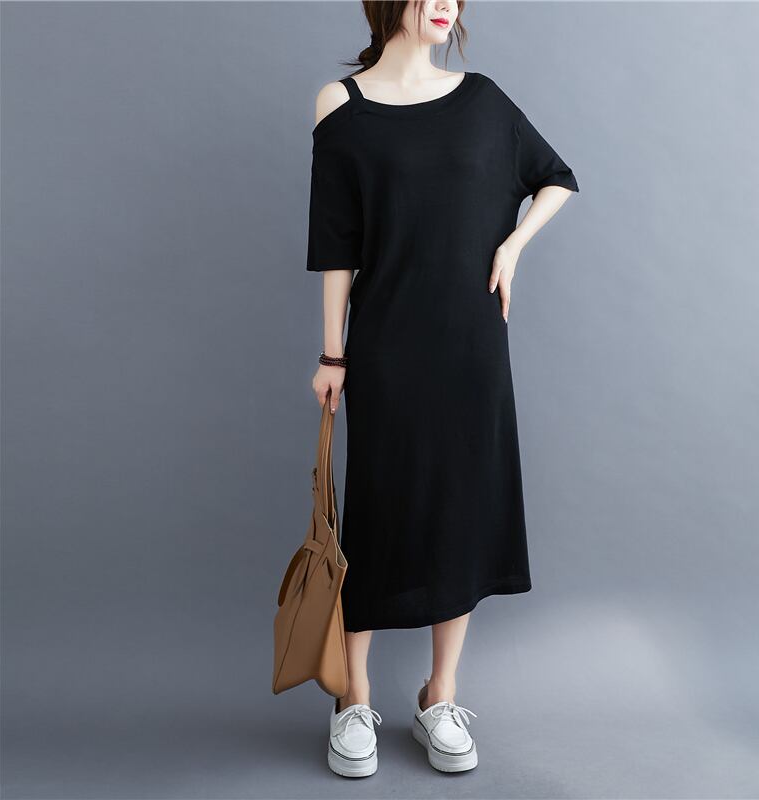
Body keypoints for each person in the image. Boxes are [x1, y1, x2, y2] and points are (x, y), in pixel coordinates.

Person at [306, 0, 579, 778]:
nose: (444, 5)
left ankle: (440, 694)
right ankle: (353, 697)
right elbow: (336, 243)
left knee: (461, 509)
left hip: (471, 346)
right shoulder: (340, 104)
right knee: (378, 513)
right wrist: (333, 355)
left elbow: (555, 179)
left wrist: (513, 247)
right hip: (387, 347)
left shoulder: (483, 100)